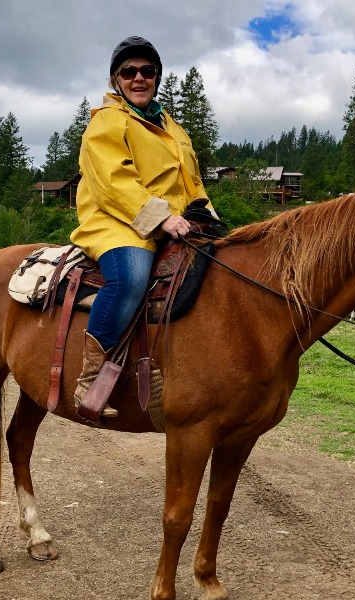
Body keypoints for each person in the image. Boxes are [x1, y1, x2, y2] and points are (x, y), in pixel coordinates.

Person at [70, 35, 215, 418]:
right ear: (115, 79)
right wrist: (160, 218)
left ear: (157, 78)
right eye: (129, 71)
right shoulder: (107, 122)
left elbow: (193, 183)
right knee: (131, 278)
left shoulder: (174, 129)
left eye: (147, 71)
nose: (139, 78)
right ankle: (92, 378)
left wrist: (208, 218)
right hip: (116, 221)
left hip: (176, 223)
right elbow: (113, 182)